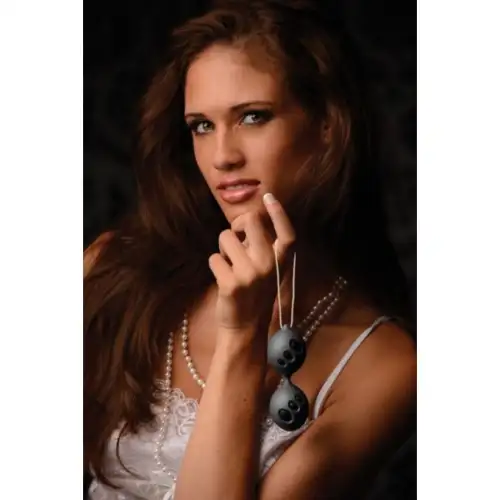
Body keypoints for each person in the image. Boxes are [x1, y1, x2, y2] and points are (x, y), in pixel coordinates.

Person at [84, 0, 417, 498]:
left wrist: (241, 334)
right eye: (202, 125)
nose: (223, 156)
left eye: (253, 117)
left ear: (327, 124)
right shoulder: (114, 269)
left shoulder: (385, 365)